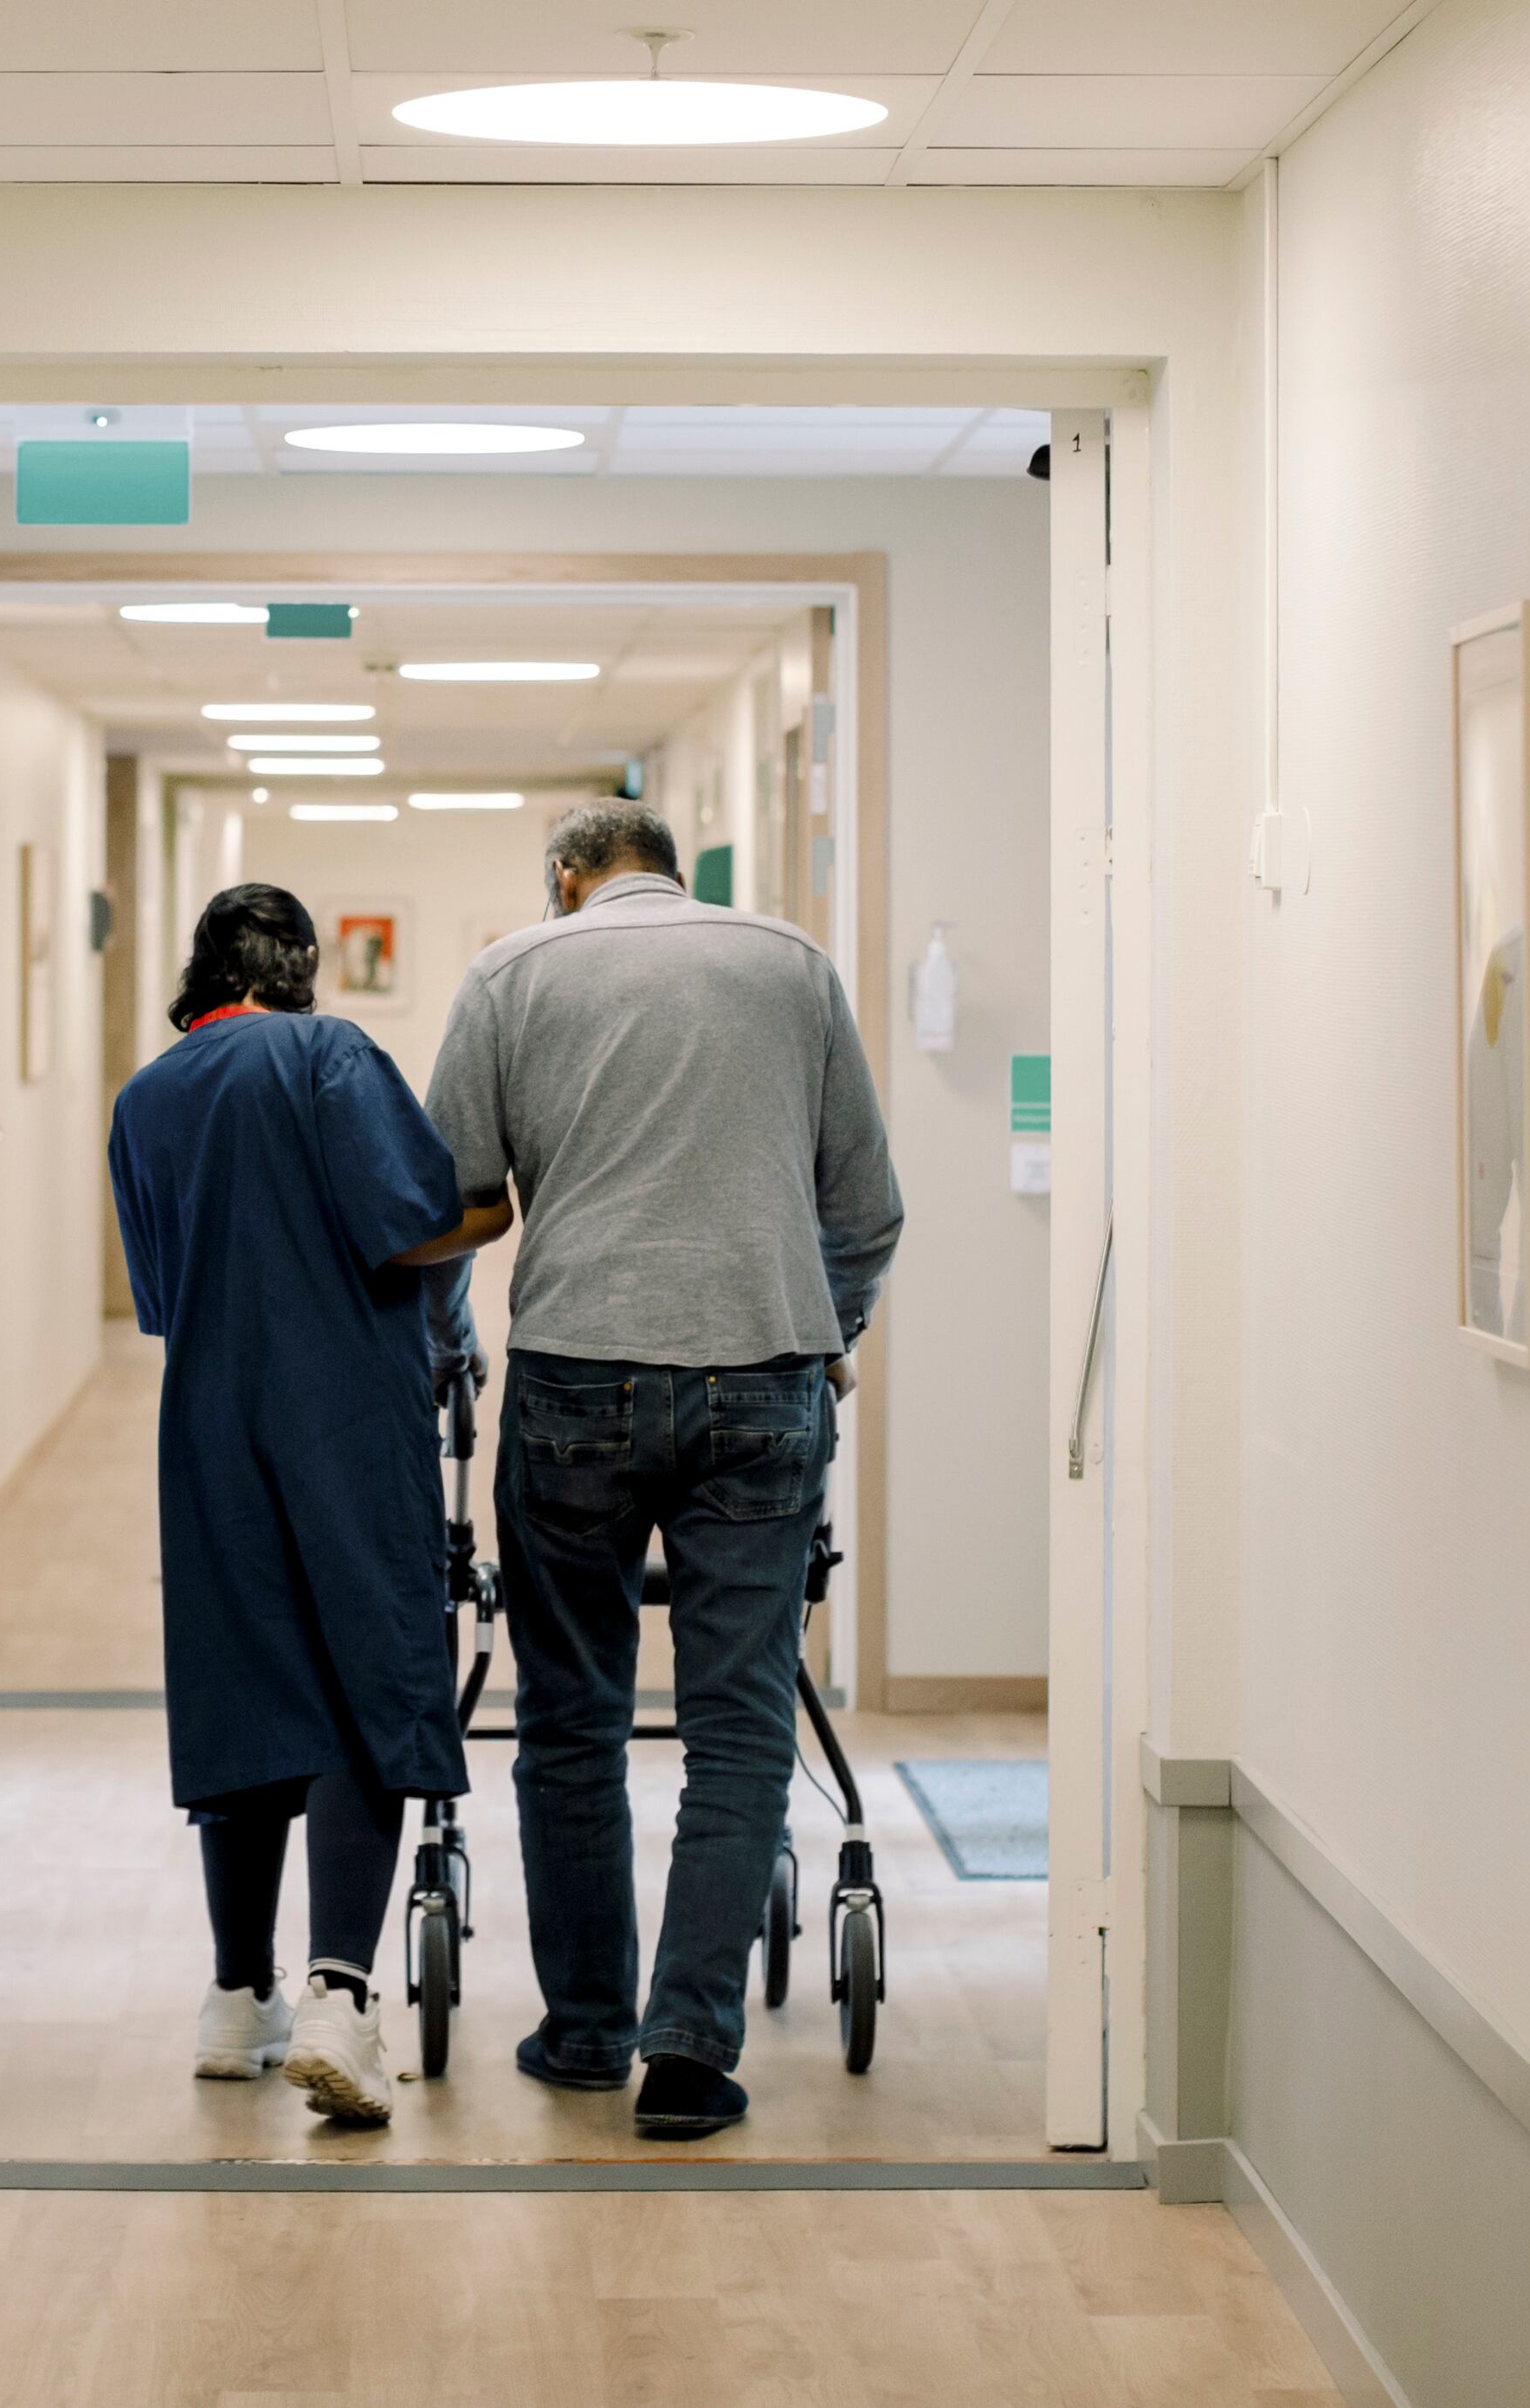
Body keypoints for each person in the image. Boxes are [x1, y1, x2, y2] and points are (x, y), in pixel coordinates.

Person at [414, 799, 903, 2141]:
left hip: (576, 1370)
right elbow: (865, 1211)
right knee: (740, 1718)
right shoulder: (792, 965)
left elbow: (454, 1195)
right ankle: (691, 2048)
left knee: (572, 1716)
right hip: (764, 1370)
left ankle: (584, 2033)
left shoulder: (516, 970)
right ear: (674, 872)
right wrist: (825, 1334)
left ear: (568, 879)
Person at [107, 882, 478, 2126]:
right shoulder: (328, 1054)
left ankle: (232, 1997)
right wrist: (500, 1198)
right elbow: (418, 1226)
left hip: (209, 1423)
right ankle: (338, 1994)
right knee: (366, 1680)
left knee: (246, 1681)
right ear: (303, 968)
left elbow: (161, 1296)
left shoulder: (146, 1099)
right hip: (345, 1419)